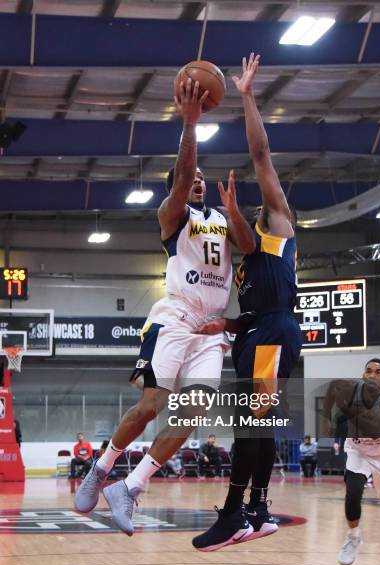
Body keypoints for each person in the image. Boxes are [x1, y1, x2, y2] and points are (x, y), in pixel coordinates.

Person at [75, 77, 255, 536]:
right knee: (152, 405)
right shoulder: (171, 216)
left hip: (210, 329)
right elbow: (184, 169)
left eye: (199, 179)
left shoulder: (219, 218)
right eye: (188, 177)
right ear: (177, 184)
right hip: (172, 319)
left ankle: (130, 486)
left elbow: (250, 245)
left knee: (194, 411)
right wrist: (189, 126)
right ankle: (101, 468)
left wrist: (234, 210)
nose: (195, 180)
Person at [191, 53, 302, 551]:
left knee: (248, 428)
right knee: (257, 428)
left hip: (274, 334)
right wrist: (228, 326)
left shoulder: (277, 225)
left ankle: (237, 512)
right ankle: (257, 509)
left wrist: (247, 95)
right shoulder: (252, 251)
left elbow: (261, 157)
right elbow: (253, 303)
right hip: (260, 334)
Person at [321, 358, 380, 565]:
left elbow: (376, 427)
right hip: (358, 450)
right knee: (353, 492)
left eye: (378, 372)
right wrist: (326, 418)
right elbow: (332, 388)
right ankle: (353, 537)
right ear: (363, 375)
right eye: (368, 371)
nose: (372, 375)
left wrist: (345, 411)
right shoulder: (352, 389)